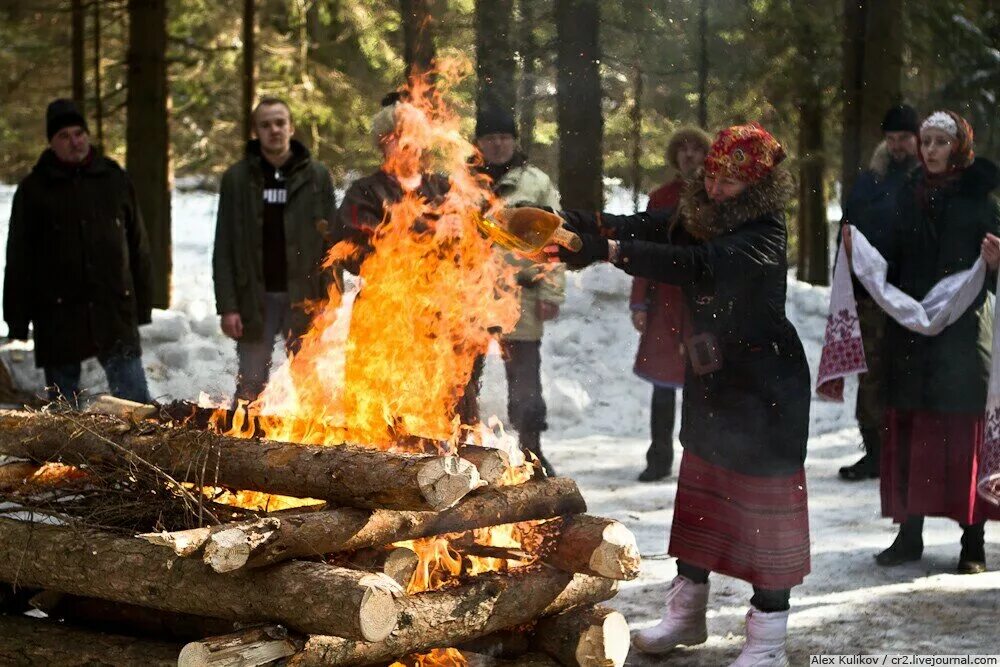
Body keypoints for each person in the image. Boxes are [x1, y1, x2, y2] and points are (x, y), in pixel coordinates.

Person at [545, 123, 810, 666]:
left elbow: (695, 264)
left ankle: (767, 642)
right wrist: (581, 226)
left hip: (766, 389)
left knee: (764, 516)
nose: (714, 188)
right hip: (715, 380)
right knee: (702, 501)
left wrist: (609, 250)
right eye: (711, 176)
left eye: (729, 182)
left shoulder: (764, 231)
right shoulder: (703, 214)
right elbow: (652, 225)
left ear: (756, 186)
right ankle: (687, 614)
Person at [846, 110, 1000, 574]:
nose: (930, 150)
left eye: (939, 142)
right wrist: (862, 254)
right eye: (925, 141)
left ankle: (971, 541)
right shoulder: (902, 196)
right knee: (910, 434)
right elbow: (886, 257)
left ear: (959, 148)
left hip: (960, 336)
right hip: (909, 335)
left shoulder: (981, 203)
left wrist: (994, 266)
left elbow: (992, 275)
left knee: (959, 438)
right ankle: (908, 535)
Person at [4, 98, 153, 405]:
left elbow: (138, 244)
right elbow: (19, 259)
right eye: (64, 136)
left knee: (136, 404)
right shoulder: (34, 190)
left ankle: (142, 454)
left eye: (79, 133)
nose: (74, 142)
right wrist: (17, 320)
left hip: (113, 309)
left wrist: (143, 302)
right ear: (51, 143)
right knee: (66, 417)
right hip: (58, 316)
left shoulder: (113, 178)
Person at [213, 97, 339, 404]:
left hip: (304, 296)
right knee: (251, 383)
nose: (274, 130)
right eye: (266, 124)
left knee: (309, 381)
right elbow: (224, 246)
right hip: (255, 298)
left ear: (291, 127)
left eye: (280, 123)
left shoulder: (317, 177)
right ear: (256, 131)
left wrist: (331, 297)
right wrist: (228, 306)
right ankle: (241, 444)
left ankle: (316, 450)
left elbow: (332, 244)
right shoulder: (237, 179)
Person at [473, 106, 564, 476]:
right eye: (490, 137)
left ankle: (532, 452)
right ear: (478, 142)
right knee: (459, 379)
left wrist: (552, 293)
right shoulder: (462, 182)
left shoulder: (536, 183)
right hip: (469, 295)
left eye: (504, 137)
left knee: (525, 382)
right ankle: (454, 447)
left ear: (514, 140)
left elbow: (556, 237)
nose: (498, 144)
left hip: (521, 295)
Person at [837, 104, 920, 481]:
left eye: (904, 138)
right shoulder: (870, 181)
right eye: (891, 138)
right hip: (869, 296)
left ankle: (910, 455)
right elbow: (849, 229)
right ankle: (874, 452)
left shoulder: (928, 181)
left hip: (915, 299)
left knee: (908, 373)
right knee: (870, 373)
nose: (897, 145)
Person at [630, 126, 709, 481]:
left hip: (703, 303)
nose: (689, 156)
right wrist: (639, 303)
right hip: (665, 300)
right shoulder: (661, 198)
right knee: (663, 386)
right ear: (675, 156)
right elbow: (645, 253)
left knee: (704, 382)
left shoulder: (717, 197)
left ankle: (701, 459)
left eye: (696, 150)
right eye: (683, 150)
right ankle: (659, 458)